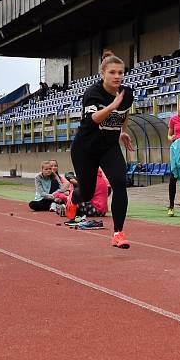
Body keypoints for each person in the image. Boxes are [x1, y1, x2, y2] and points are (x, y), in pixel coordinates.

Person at [70, 51, 135, 249]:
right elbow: (93, 119)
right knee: (87, 194)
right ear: (102, 74)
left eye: (120, 73)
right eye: (112, 72)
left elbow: (124, 114)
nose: (117, 76)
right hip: (85, 148)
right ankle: (73, 197)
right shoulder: (93, 93)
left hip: (109, 146)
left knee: (119, 182)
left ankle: (118, 233)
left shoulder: (126, 93)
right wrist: (111, 106)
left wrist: (122, 132)